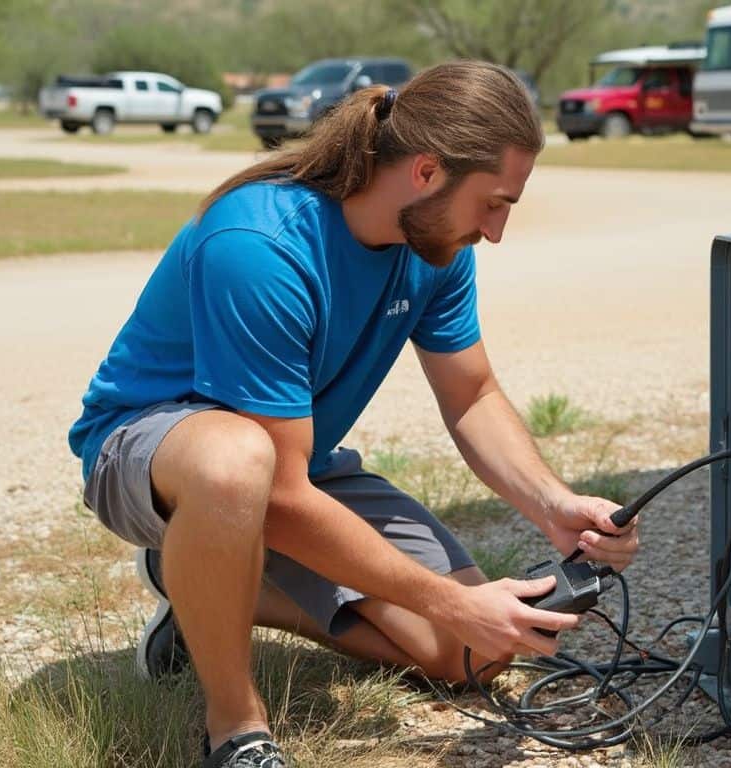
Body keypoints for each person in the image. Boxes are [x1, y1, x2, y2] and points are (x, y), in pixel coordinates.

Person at [68, 60, 639, 768]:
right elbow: (275, 490)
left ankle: (195, 583)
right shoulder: (260, 246)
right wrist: (450, 597)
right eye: (494, 204)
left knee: (472, 653)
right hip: (152, 455)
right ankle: (236, 729)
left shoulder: (435, 246)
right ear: (426, 172)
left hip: (290, 467)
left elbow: (472, 395)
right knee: (236, 462)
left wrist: (552, 504)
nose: (495, 232)